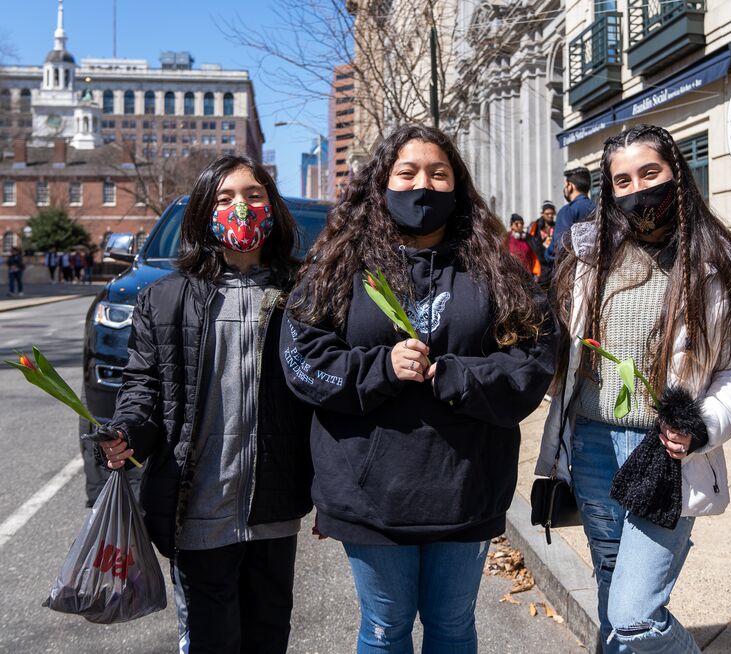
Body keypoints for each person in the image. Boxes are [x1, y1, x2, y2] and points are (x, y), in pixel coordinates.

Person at [281, 124, 556, 654]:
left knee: (453, 629)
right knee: (384, 631)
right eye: (406, 173)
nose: (422, 186)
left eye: (438, 173)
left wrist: (457, 375)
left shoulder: (495, 269)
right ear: (381, 182)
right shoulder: (339, 265)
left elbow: (534, 359)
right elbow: (301, 359)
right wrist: (380, 367)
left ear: (458, 187)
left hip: (467, 485)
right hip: (368, 494)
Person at [537, 124, 731, 653]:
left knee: (635, 614)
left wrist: (700, 425)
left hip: (661, 455)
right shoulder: (588, 258)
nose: (638, 189)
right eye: (622, 181)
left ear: (677, 174)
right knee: (610, 590)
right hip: (591, 443)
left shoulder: (717, 259)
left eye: (650, 173)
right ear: (608, 191)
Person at [97, 155, 314, 654]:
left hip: (274, 508)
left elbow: (323, 398)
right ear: (203, 211)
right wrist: (127, 433)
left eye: (254, 196)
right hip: (196, 512)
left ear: (272, 208)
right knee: (211, 641)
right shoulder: (164, 298)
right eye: (225, 197)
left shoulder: (304, 294)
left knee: (268, 638)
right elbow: (144, 389)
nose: (241, 207)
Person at [546, 166, 595, 266]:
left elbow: (560, 248)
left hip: (573, 274)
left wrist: (546, 255)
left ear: (570, 186)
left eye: (565, 185)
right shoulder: (598, 208)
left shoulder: (567, 211)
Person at [526, 201, 556, 287]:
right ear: (542, 213)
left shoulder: (556, 226)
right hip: (539, 265)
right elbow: (531, 243)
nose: (550, 216)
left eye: (552, 213)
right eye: (547, 213)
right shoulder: (535, 227)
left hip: (552, 263)